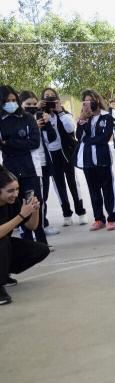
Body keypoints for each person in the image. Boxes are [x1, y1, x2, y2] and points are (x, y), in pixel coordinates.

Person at [0, 86, 49, 247]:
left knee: (34, 202)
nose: (11, 104)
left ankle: (41, 239)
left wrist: (9, 142)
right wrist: (13, 144)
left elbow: (34, 142)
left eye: (14, 100)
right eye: (7, 101)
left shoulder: (27, 118)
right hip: (10, 171)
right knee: (16, 205)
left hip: (29, 169)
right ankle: (26, 240)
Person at [0, 165, 50, 305]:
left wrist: (34, 210)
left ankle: (3, 274)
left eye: (17, 189)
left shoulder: (13, 201)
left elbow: (31, 226)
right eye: (10, 191)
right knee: (2, 241)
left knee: (41, 249)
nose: (15, 194)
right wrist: (22, 215)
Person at [38, 88, 88, 228]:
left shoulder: (64, 113)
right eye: (46, 97)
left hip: (66, 152)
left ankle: (81, 212)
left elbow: (70, 128)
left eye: (52, 97)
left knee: (73, 183)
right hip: (52, 155)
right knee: (58, 186)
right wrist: (39, 112)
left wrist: (59, 112)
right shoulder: (40, 115)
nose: (49, 100)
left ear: (57, 98)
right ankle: (67, 214)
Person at [75, 89, 115, 231]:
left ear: (97, 100)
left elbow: (105, 137)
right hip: (88, 161)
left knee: (107, 189)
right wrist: (82, 120)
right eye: (85, 101)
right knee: (93, 191)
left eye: (91, 100)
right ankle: (99, 218)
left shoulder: (107, 117)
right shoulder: (84, 118)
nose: (88, 103)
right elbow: (79, 137)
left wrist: (89, 140)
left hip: (102, 159)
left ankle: (112, 218)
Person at [18, 91, 52, 241]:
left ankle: (40, 235)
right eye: (28, 105)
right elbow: (24, 143)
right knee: (23, 201)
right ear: (21, 105)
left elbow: (50, 138)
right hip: (21, 167)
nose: (31, 107)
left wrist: (48, 123)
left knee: (39, 200)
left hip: (39, 165)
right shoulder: (17, 122)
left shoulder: (39, 117)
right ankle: (26, 235)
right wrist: (33, 128)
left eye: (34, 104)